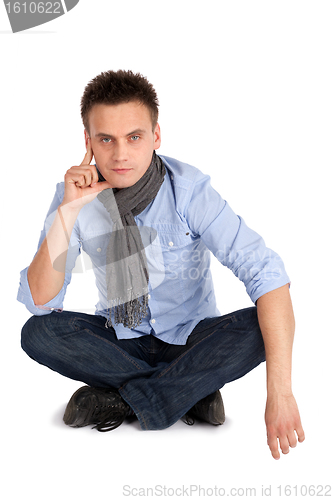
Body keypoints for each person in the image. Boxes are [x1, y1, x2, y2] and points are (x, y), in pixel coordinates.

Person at [18, 69, 305, 459]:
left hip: (190, 339)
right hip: (120, 339)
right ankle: (189, 393)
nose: (120, 155)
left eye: (134, 137)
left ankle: (124, 400)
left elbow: (267, 275)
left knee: (263, 325)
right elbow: (41, 299)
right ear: (88, 142)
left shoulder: (190, 191)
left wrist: (281, 393)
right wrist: (69, 212)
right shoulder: (73, 196)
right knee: (39, 333)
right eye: (106, 139)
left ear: (156, 136)